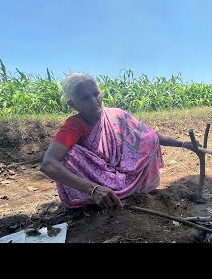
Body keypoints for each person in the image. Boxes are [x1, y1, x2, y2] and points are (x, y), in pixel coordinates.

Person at [40, 72, 199, 210]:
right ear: (72, 104)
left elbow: (150, 135)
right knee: (69, 154)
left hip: (126, 175)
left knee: (148, 138)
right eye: (85, 97)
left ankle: (128, 189)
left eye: (96, 94)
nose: (94, 100)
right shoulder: (73, 126)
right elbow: (49, 164)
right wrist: (94, 189)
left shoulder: (117, 116)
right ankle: (99, 196)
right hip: (97, 184)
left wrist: (183, 144)